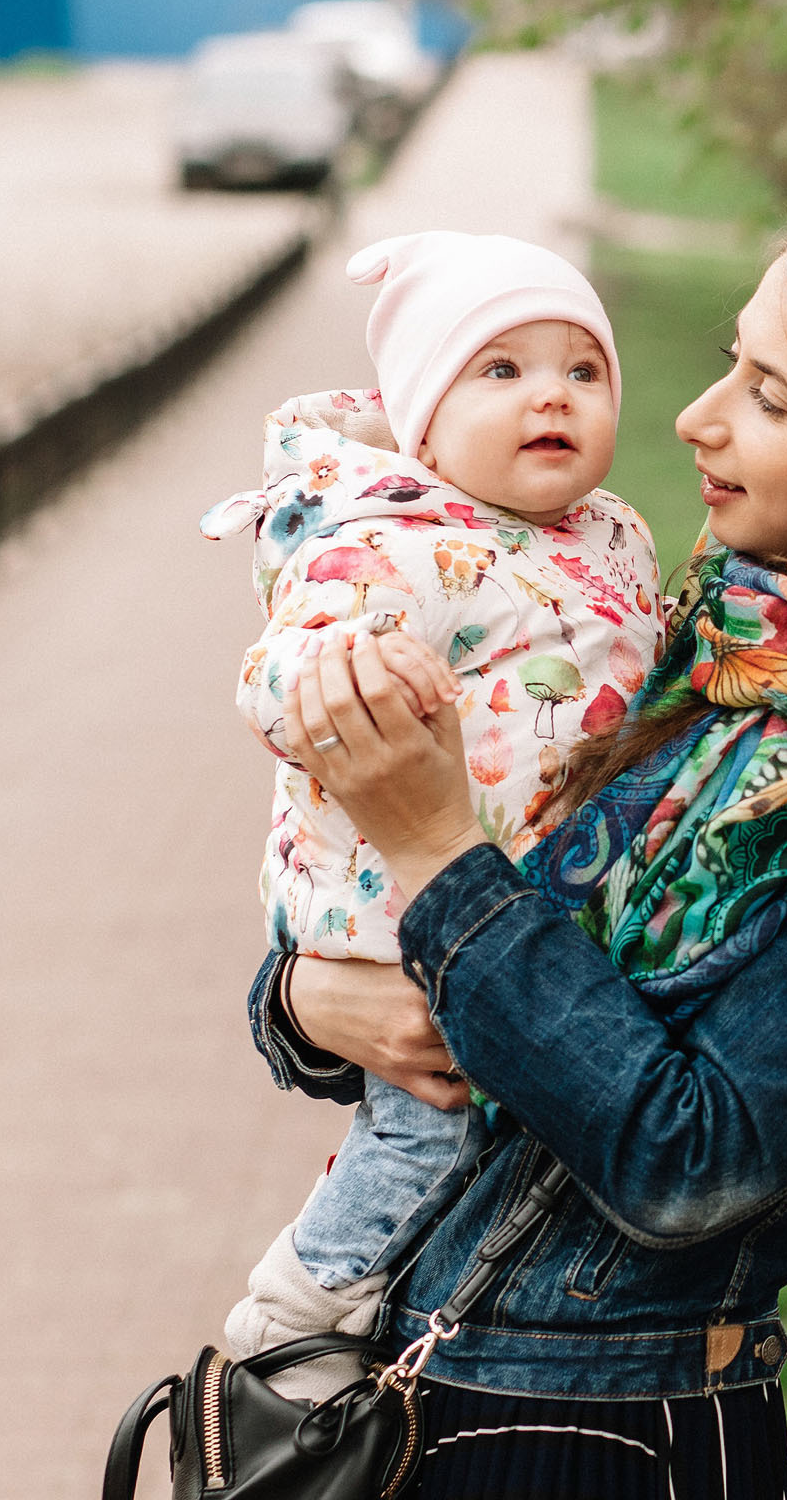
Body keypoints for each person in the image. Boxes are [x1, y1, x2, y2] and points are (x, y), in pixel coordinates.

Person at [252, 197, 787, 1497]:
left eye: (768, 396)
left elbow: (688, 1163)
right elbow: (446, 988)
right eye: (728, 362)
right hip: (396, 1379)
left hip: (605, 1435)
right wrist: (305, 1001)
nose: (693, 417)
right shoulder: (697, 651)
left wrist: (431, 845)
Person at [200, 231, 664, 1399]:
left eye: (583, 370)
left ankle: (390, 1321)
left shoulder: (617, 534)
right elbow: (276, 676)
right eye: (499, 371)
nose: (550, 393)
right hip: (399, 907)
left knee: (478, 1134)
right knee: (425, 1128)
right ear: (421, 415)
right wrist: (363, 668)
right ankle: (295, 1320)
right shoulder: (388, 541)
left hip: (517, 901)